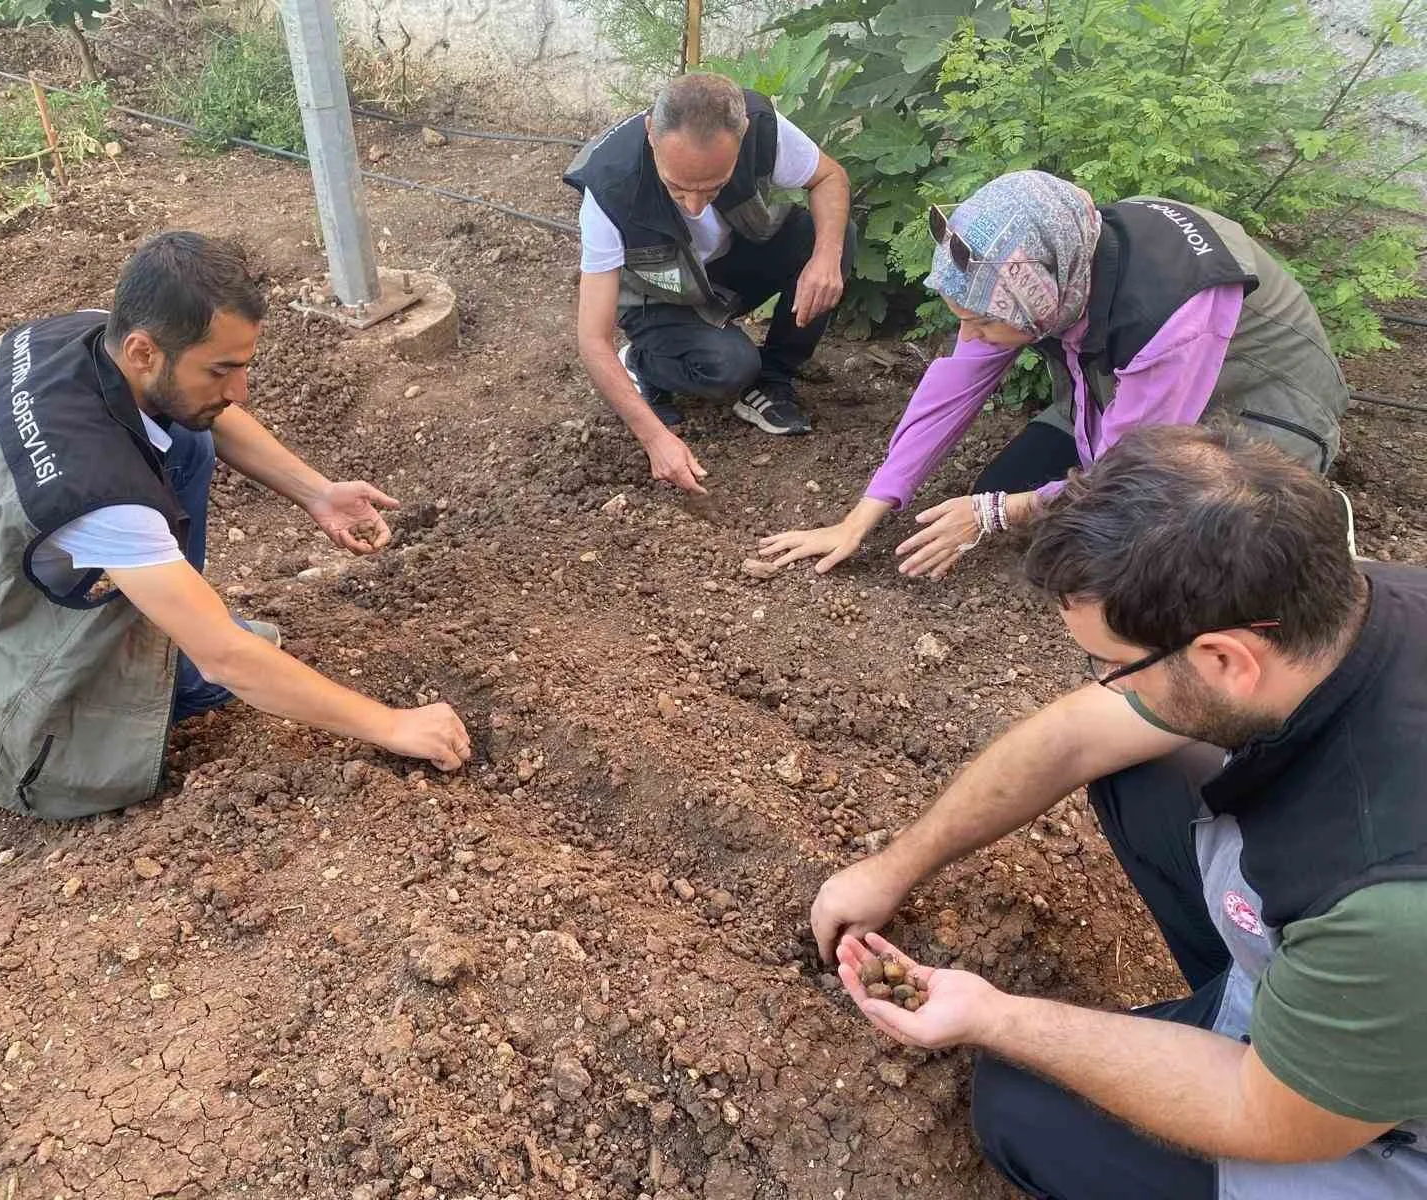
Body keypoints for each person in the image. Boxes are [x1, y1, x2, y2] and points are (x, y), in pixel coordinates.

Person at [812, 425, 1427, 1199]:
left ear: (1225, 660)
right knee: (1147, 767)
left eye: (1112, 666)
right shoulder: (1345, 604)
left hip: (1370, 1133)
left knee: (1022, 1106)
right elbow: (1076, 739)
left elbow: (1272, 1116)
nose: (1103, 686)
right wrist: (892, 866)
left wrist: (996, 1017)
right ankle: (1259, 1006)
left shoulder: (1383, 897)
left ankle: (1267, 1030)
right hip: (1371, 990)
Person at [0, 232, 471, 821]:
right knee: (200, 635)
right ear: (145, 349)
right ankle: (99, 713)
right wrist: (391, 724)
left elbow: (204, 414)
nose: (241, 390)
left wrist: (318, 493)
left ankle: (165, 648)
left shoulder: (91, 336)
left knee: (188, 439)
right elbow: (229, 657)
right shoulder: (100, 491)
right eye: (221, 369)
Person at [759, 170, 1349, 577]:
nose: (971, 335)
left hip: (1258, 403)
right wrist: (861, 517)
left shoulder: (1170, 309)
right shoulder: (1050, 264)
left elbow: (1129, 466)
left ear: (1039, 302)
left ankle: (1314, 508)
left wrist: (999, 514)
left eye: (984, 323)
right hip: (1123, 389)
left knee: (1149, 554)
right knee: (1008, 492)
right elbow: (952, 391)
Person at [564, 72, 854, 493]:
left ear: (743, 136)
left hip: (728, 267)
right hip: (659, 297)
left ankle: (773, 380)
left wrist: (826, 259)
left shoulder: (759, 124)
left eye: (713, 186)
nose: (696, 204)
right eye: (678, 187)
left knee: (835, 239)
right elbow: (592, 340)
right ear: (651, 133)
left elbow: (830, 177)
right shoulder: (610, 187)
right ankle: (643, 366)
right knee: (729, 367)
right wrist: (655, 439)